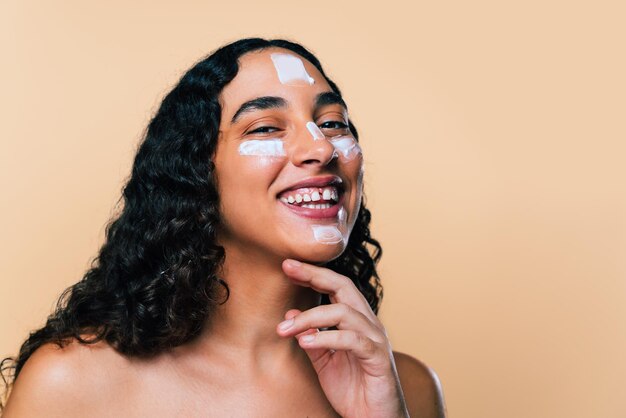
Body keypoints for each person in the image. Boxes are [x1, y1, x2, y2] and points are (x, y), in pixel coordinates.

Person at [1, 38, 446, 417]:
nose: (320, 147)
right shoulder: (71, 387)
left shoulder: (406, 388)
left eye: (332, 123)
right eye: (266, 127)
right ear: (196, 173)